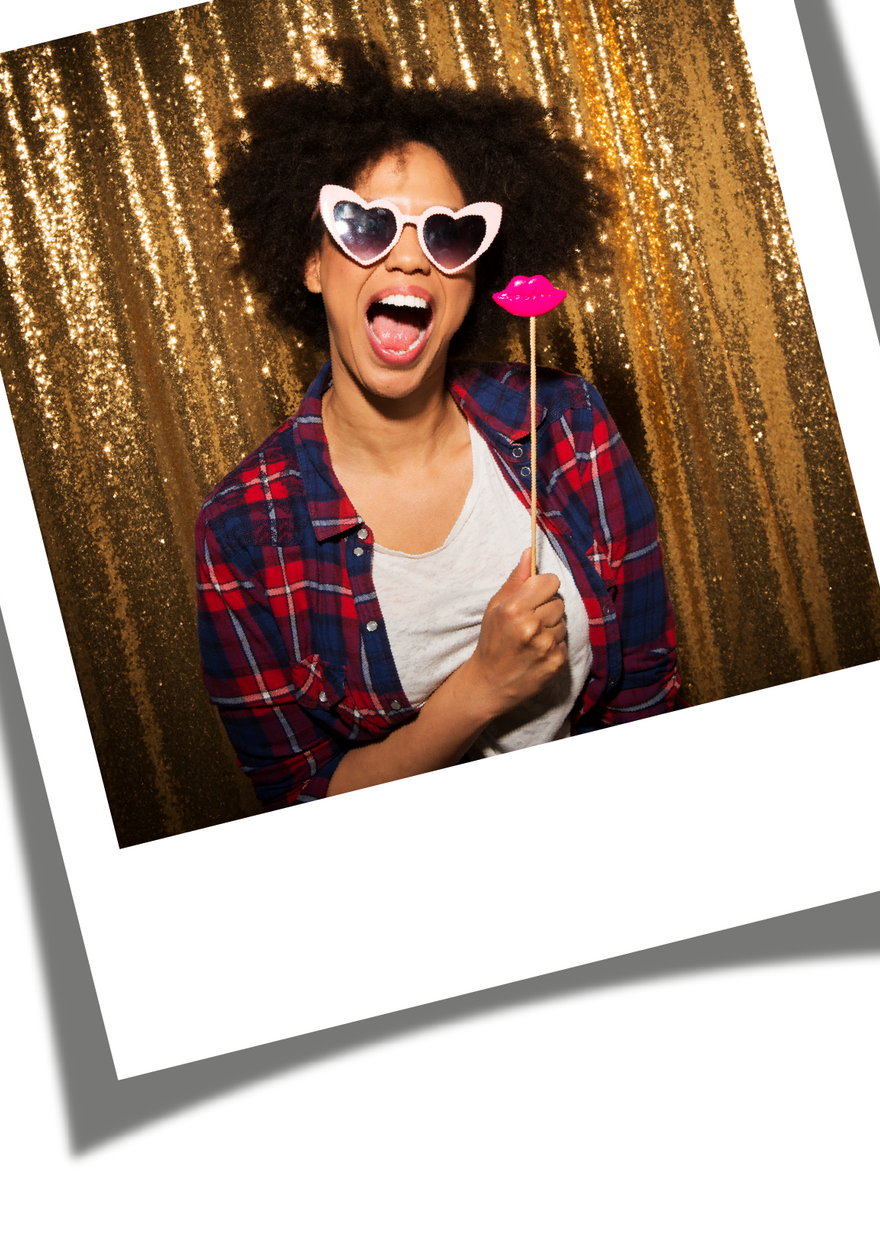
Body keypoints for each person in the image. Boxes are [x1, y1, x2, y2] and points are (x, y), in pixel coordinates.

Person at [195, 45, 679, 806]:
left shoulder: (567, 420)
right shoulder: (240, 532)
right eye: (366, 225)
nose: (412, 260)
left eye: (448, 234)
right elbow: (299, 805)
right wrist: (478, 690)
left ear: (475, 272)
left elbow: (649, 691)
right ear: (312, 261)